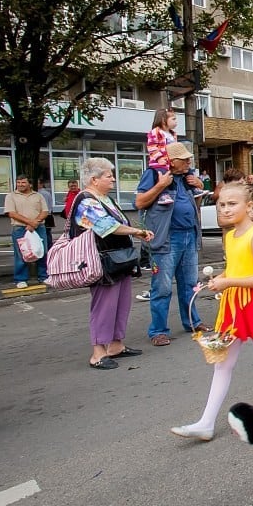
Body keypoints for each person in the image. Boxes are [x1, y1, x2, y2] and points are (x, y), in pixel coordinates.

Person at [171, 183, 253, 441]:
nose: (226, 209)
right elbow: (236, 269)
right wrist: (219, 278)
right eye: (221, 204)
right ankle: (206, 422)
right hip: (233, 306)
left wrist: (228, 282)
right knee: (223, 364)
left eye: (232, 204)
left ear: (249, 206)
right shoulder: (230, 236)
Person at [71, 158, 153, 369]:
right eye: (108, 176)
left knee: (121, 303)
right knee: (104, 306)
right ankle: (98, 353)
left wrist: (133, 230)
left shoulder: (104, 198)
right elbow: (107, 226)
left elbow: (120, 223)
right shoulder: (86, 200)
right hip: (102, 261)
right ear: (94, 179)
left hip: (118, 259)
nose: (113, 179)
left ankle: (116, 344)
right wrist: (138, 231)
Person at [135, 141, 207, 346]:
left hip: (189, 236)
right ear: (171, 161)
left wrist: (199, 187)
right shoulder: (154, 174)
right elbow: (140, 203)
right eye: (184, 159)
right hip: (167, 238)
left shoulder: (186, 177)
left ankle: (192, 322)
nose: (188, 162)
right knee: (162, 287)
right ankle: (158, 331)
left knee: (190, 284)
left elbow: (194, 204)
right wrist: (160, 186)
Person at [4, 174, 49, 289]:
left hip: (39, 227)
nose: (20, 185)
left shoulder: (38, 196)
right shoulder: (11, 196)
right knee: (21, 254)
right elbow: (11, 213)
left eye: (23, 182)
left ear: (29, 184)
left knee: (41, 252)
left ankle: (43, 276)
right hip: (20, 228)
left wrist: (36, 222)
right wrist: (30, 222)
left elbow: (45, 211)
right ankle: (21, 279)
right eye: (18, 182)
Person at [146, 108, 180, 206]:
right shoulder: (155, 132)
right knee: (164, 176)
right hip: (159, 163)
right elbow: (152, 147)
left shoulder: (172, 134)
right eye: (173, 119)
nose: (176, 122)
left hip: (170, 161)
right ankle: (163, 194)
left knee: (185, 170)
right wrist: (159, 158)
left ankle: (192, 189)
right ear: (163, 120)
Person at [37, 179, 56, 250]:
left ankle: (47, 247)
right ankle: (49, 247)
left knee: (45, 233)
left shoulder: (41, 193)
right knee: (48, 232)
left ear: (41, 184)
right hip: (48, 214)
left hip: (45, 215)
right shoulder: (47, 193)